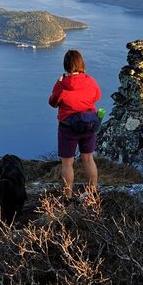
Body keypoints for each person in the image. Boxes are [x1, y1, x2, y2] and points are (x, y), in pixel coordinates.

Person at [49, 49, 101, 198]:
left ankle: (68, 197)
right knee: (88, 159)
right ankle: (92, 192)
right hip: (89, 124)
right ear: (81, 64)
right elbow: (97, 96)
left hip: (68, 126)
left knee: (67, 163)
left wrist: (58, 84)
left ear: (66, 66)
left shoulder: (62, 84)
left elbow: (53, 102)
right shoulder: (90, 80)